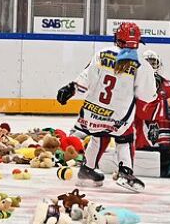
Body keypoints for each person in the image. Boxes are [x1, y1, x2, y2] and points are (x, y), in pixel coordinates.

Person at [56, 21, 156, 192]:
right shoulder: (141, 64)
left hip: (93, 112)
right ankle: (125, 172)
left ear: (117, 38)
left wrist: (70, 89)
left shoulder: (102, 54)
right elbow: (148, 96)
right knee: (125, 138)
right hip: (119, 116)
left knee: (98, 136)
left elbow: (85, 80)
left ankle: (86, 171)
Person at [136, 49, 170, 152]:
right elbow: (140, 111)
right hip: (142, 144)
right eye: (147, 63)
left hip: (166, 143)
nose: (150, 66)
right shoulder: (135, 86)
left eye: (153, 63)